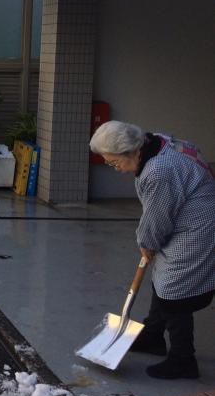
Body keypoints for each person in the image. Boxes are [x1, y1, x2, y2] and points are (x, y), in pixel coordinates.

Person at [90, 120, 215, 379]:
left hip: (198, 228)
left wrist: (147, 243)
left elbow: (156, 219)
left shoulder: (158, 171)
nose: (116, 169)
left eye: (114, 163)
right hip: (188, 215)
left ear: (130, 151)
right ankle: (152, 336)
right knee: (163, 280)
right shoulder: (154, 142)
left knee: (175, 292)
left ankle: (183, 360)